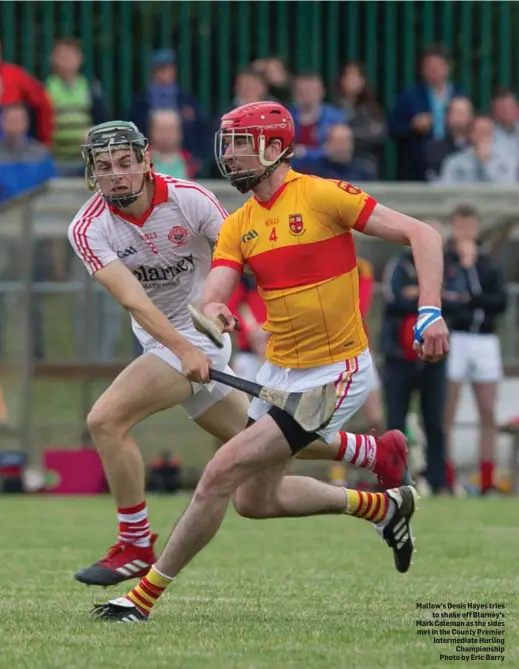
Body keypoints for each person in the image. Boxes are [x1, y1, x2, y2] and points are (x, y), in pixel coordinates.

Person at [93, 102, 449, 622]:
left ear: (277, 147)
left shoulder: (323, 195)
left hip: (336, 372)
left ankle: (142, 598)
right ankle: (385, 505)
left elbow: (425, 234)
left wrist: (430, 311)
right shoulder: (239, 223)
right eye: (228, 143)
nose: (231, 155)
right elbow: (217, 287)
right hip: (280, 372)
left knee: (219, 471)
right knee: (255, 501)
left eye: (243, 143)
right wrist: (215, 308)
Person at [443, 205, 507, 495]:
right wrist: (468, 300)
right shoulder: (445, 259)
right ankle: (445, 475)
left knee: (487, 410)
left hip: (484, 340)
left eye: (470, 227)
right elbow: (448, 300)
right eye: (460, 227)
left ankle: (487, 479)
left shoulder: (487, 263)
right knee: (449, 408)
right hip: (456, 338)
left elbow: (498, 302)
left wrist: (471, 289)